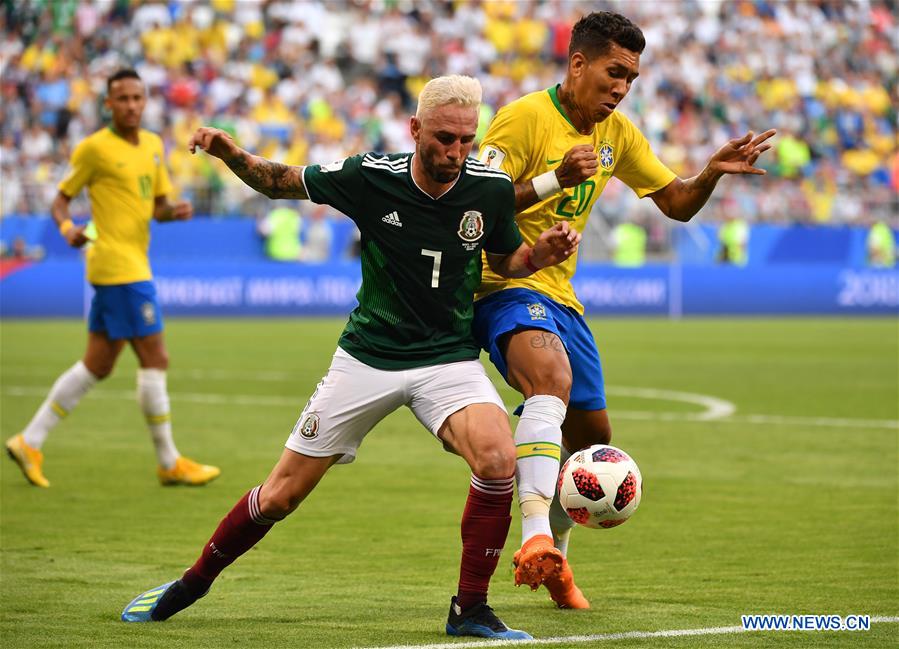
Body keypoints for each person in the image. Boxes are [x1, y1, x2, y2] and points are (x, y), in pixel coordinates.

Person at [121, 75, 580, 640]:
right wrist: (230, 152)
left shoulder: (487, 188)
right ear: (415, 130)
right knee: (282, 495)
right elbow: (281, 182)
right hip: (367, 357)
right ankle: (189, 584)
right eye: (443, 138)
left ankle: (471, 610)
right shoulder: (370, 176)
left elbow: (509, 260)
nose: (455, 152)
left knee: (496, 458)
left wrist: (539, 254)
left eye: (465, 139)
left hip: (448, 359)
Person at [475, 11, 776, 608]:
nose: (621, 88)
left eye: (631, 79)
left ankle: (557, 557)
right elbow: (474, 203)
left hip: (562, 296)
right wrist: (554, 179)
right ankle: (535, 538)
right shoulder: (524, 119)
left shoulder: (619, 135)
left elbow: (677, 204)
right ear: (578, 63)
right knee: (550, 383)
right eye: (614, 73)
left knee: (592, 439)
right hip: (500, 283)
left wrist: (710, 172)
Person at [4, 69, 220, 489]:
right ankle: (169, 461)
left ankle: (29, 441)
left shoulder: (154, 146)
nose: (132, 105)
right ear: (108, 104)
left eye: (138, 97)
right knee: (155, 358)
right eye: (122, 98)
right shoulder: (94, 150)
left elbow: (156, 206)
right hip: (120, 267)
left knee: (98, 364)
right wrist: (68, 229)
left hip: (128, 264)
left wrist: (172, 211)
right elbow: (60, 201)